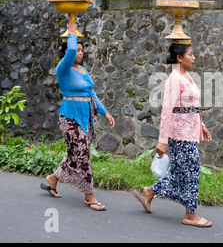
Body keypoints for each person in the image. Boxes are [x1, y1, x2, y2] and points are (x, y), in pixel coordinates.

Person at [132, 40, 212, 227]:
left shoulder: (187, 77)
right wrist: (162, 141)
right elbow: (167, 110)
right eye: (190, 54)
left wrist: (202, 125)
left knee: (178, 171)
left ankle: (150, 192)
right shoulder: (174, 79)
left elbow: (190, 106)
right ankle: (190, 214)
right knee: (193, 171)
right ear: (179, 57)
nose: (194, 57)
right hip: (179, 134)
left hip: (189, 132)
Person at [40, 18, 115, 211]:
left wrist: (105, 112)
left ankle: (52, 179)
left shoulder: (83, 70)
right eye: (77, 50)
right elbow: (71, 50)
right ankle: (89, 195)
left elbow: (91, 93)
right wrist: (71, 31)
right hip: (70, 118)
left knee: (75, 154)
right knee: (82, 155)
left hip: (86, 117)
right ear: (66, 53)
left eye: (82, 50)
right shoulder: (62, 69)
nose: (80, 53)